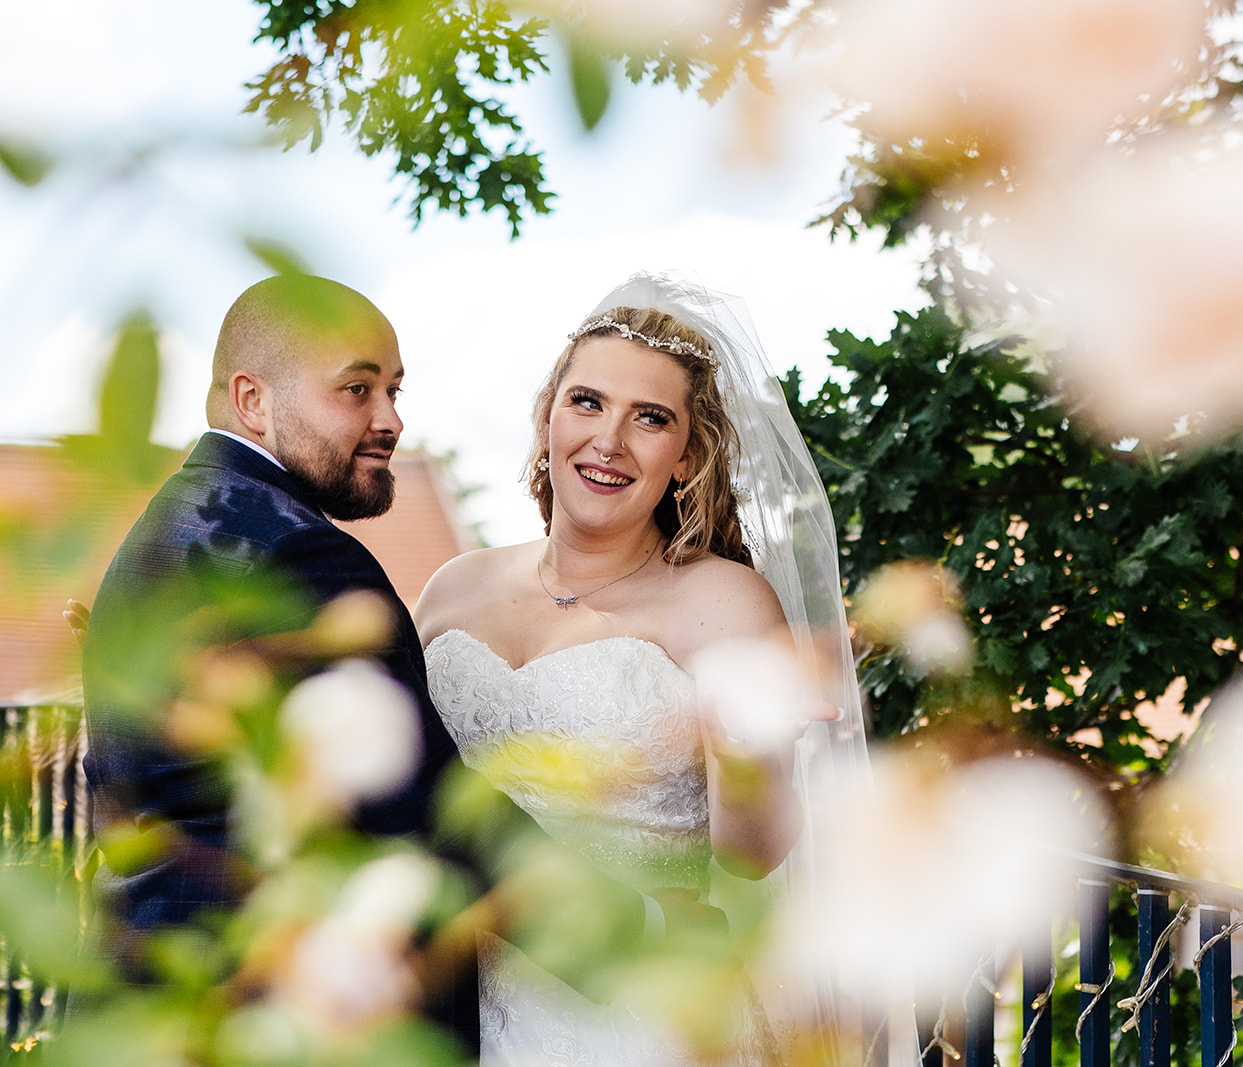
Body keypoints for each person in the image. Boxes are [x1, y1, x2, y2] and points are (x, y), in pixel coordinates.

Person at [80, 274, 642, 1053]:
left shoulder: (163, 531)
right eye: (357, 390)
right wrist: (634, 935)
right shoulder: (301, 554)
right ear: (253, 400)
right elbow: (427, 811)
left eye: (395, 389)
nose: (392, 420)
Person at [415, 273, 899, 1066]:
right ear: (546, 420)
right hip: (453, 1004)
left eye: (650, 418)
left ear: (686, 458)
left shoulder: (724, 602)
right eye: (587, 402)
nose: (609, 440)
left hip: (635, 1012)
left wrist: (740, 754)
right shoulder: (453, 587)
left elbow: (756, 853)